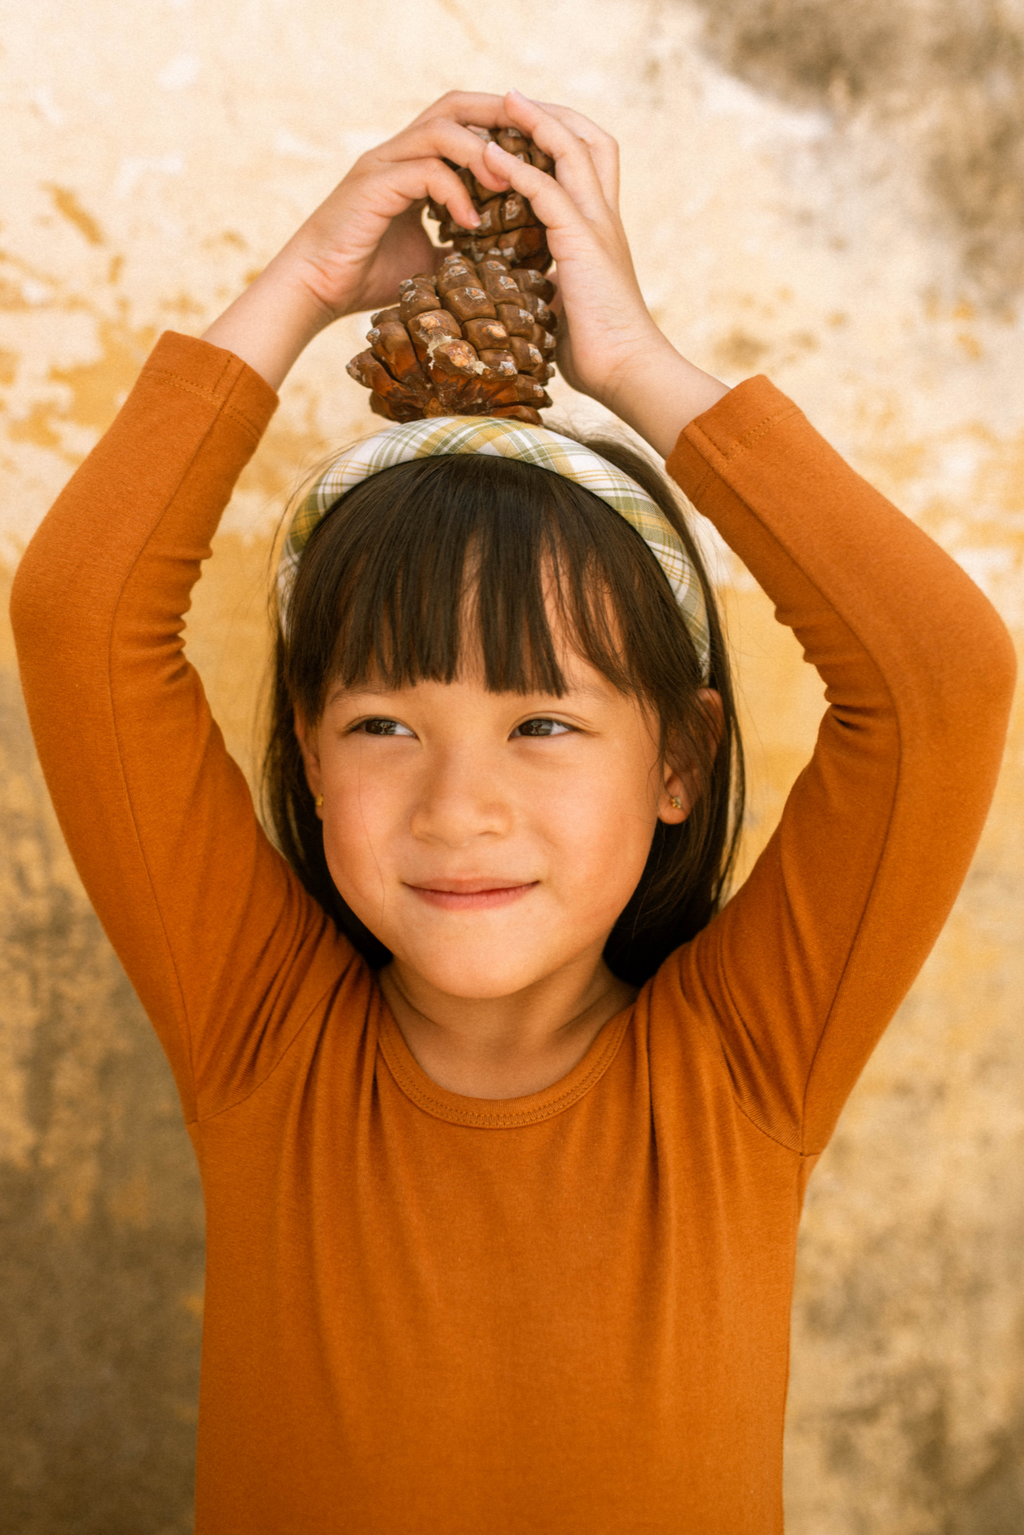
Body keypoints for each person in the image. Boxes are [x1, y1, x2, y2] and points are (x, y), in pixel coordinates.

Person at [11, 88, 1015, 1534]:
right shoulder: (264, 1039)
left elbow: (942, 680)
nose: (458, 805)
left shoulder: (743, 1068)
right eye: (382, 724)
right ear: (303, 752)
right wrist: (303, 283)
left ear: (680, 760)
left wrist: (635, 364)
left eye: (542, 721)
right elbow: (79, 615)